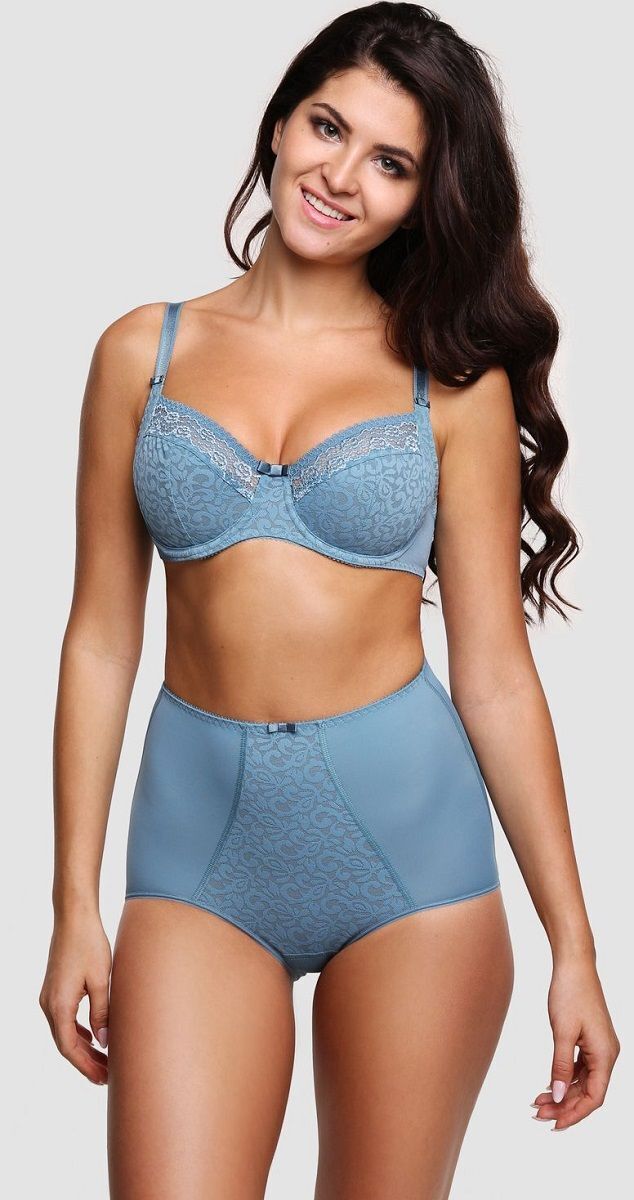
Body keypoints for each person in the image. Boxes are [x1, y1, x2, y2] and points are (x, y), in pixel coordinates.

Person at [39, 4, 620, 1197]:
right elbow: (100, 640)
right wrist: (72, 906)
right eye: (327, 127)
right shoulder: (139, 354)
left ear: (422, 199)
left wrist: (576, 946)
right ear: (280, 122)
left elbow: (494, 674)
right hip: (194, 867)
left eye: (391, 163)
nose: (341, 177)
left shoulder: (450, 385)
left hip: (411, 870)